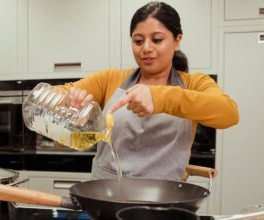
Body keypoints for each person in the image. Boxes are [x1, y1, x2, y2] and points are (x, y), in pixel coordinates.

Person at [61, 1, 239, 181]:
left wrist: (160, 97)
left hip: (163, 202)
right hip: (105, 197)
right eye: (138, 41)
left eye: (157, 40)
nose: (146, 48)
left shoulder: (194, 84)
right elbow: (50, 94)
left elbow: (229, 113)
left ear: (177, 41)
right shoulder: (110, 79)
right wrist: (69, 99)